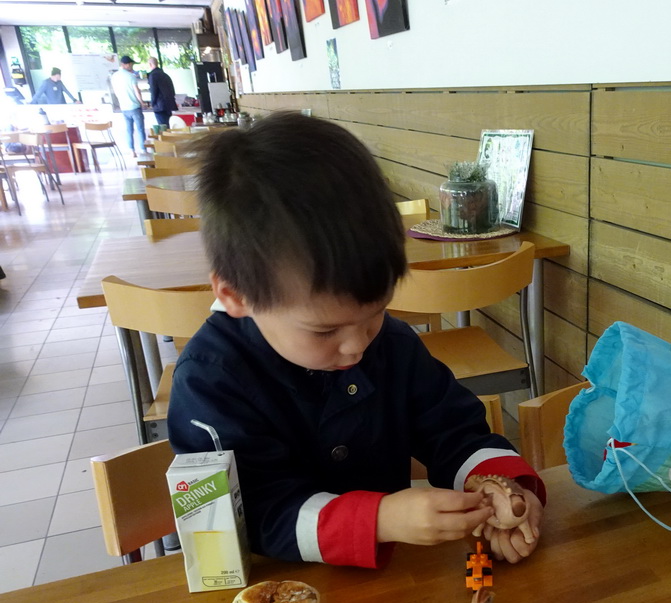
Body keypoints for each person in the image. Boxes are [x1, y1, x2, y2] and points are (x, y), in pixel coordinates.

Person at [166, 113, 545, 569]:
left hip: (391, 592)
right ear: (235, 295)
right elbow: (254, 515)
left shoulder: (393, 345)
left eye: (375, 313)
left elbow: (454, 430)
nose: (356, 346)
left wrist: (501, 488)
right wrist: (380, 519)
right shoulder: (211, 381)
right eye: (324, 331)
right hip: (279, 590)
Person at [109, 55, 146, 156]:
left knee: (129, 130)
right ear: (125, 64)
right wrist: (142, 102)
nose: (132, 66)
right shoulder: (131, 76)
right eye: (130, 64)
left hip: (124, 108)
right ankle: (143, 149)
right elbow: (137, 91)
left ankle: (132, 150)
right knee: (140, 129)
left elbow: (115, 92)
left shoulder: (114, 76)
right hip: (135, 106)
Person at [146, 56, 177, 128]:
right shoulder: (165, 75)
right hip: (169, 105)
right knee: (168, 126)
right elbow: (172, 91)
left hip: (159, 106)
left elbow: (153, 91)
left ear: (150, 64)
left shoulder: (152, 75)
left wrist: (152, 103)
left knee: (163, 127)